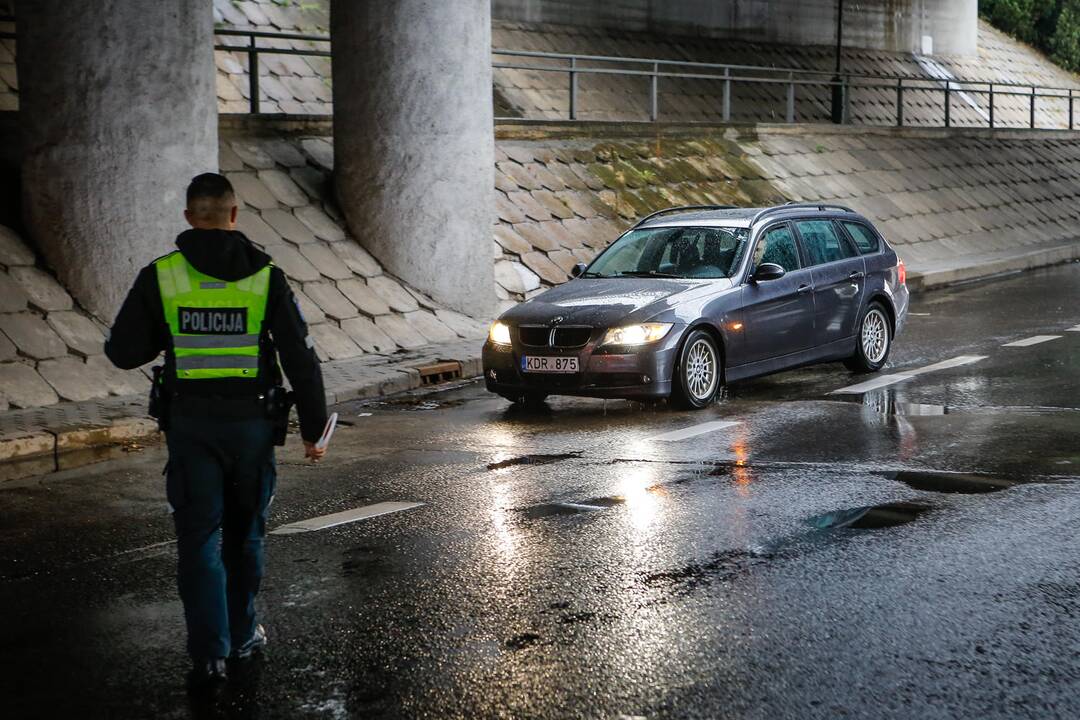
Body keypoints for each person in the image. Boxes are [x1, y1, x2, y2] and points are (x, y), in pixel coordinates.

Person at [105, 173, 329, 686]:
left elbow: (122, 353)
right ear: (234, 215)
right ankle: (244, 634)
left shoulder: (162, 276)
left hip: (191, 427)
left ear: (189, 218)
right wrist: (314, 429)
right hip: (252, 426)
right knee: (245, 536)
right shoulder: (265, 276)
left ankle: (210, 652)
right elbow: (300, 355)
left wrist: (165, 333)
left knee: (198, 538)